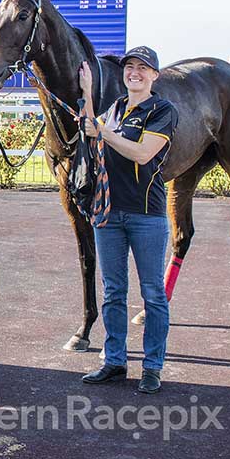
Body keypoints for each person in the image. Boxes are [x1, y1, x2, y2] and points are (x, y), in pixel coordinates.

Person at [79, 46, 178, 395]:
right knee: (114, 292)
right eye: (130, 67)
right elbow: (93, 129)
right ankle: (114, 361)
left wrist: (101, 130)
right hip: (108, 213)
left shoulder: (162, 110)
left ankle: (153, 367)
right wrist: (88, 93)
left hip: (146, 215)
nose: (134, 72)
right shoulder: (117, 108)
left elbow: (141, 152)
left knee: (152, 294)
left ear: (154, 75)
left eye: (142, 68)